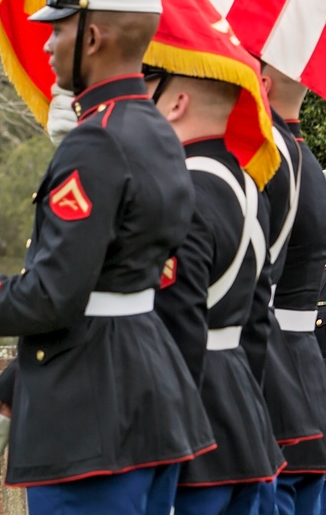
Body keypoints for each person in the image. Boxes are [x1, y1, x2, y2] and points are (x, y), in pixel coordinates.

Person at [0, 0, 213, 515]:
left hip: (90, 419)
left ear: (94, 37)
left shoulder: (96, 141)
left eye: (59, 30)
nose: (48, 44)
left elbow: (54, 296)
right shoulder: (154, 130)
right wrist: (8, 396)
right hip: (149, 403)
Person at [145, 68, 283, 514]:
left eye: (145, 83)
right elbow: (257, 322)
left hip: (193, 430)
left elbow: (174, 325)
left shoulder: (178, 188)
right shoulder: (248, 186)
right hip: (243, 415)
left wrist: (165, 442)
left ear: (176, 102)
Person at [258, 63, 326, 515]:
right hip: (306, 368)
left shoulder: (270, 161)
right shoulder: (309, 161)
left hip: (268, 369)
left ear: (259, 83)